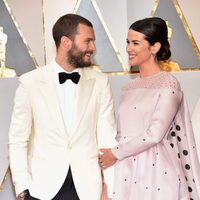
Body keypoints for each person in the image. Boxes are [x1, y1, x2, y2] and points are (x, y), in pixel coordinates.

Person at [8, 13, 117, 200]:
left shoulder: (100, 82)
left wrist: (109, 188)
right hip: (42, 189)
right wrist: (22, 189)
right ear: (66, 42)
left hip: (87, 190)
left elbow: (107, 140)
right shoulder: (30, 82)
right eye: (88, 41)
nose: (93, 47)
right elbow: (18, 140)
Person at [99, 17, 200, 199]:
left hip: (157, 171)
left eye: (136, 43)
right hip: (126, 169)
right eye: (128, 42)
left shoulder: (168, 84)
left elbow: (155, 133)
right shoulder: (128, 87)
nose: (129, 48)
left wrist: (115, 153)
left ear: (155, 47)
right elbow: (121, 134)